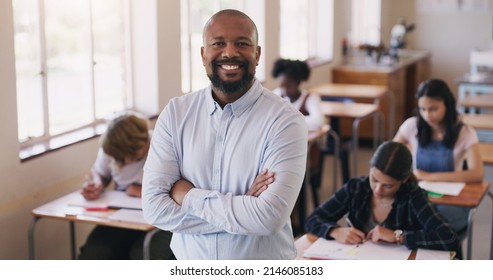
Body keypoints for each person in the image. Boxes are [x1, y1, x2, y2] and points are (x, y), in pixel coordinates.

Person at [142, 9, 308, 260]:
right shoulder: (176, 114)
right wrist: (243, 207)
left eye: (242, 43)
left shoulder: (285, 120)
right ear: (203, 54)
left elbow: (268, 218)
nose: (230, 52)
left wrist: (187, 195)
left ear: (257, 54)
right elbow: (155, 209)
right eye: (218, 43)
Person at [304, 141, 460, 255]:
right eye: (374, 179)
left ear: (403, 180)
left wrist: (399, 236)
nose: (378, 190)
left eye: (388, 186)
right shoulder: (356, 187)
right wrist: (334, 231)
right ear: (370, 168)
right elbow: (313, 219)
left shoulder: (413, 197)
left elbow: (449, 237)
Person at [78, 113, 174, 260]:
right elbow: (100, 173)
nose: (120, 162)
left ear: (142, 145)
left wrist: (140, 191)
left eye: (125, 158)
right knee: (94, 254)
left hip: (162, 218)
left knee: (142, 254)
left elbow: (180, 191)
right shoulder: (112, 149)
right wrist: (96, 184)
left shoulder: (164, 145)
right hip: (125, 216)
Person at [393, 79, 484, 233]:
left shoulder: (465, 133)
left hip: (452, 201)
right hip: (419, 195)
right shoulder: (412, 125)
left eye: (433, 109)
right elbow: (389, 157)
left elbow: (477, 174)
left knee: (432, 220)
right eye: (423, 109)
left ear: (447, 105)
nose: (427, 114)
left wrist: (430, 176)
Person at [271, 58, 351, 184]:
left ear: (298, 82)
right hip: (282, 146)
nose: (285, 90)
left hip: (308, 149)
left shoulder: (310, 98)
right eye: (282, 85)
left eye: (289, 85)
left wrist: (285, 122)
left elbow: (318, 122)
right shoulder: (276, 95)